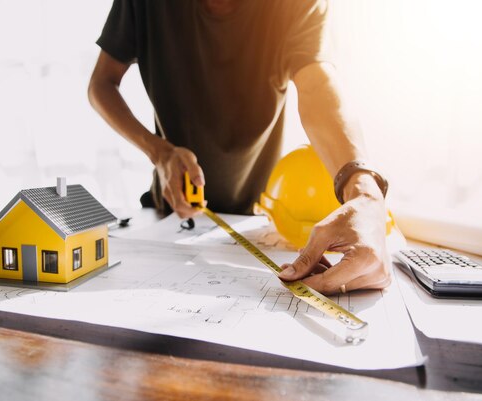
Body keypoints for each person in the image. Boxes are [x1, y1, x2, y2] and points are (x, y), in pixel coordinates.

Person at [88, 0, 391, 295]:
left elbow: (317, 85)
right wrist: (161, 153)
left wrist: (365, 193)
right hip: (166, 218)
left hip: (258, 223)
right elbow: (101, 84)